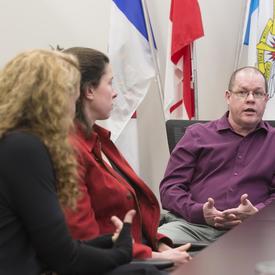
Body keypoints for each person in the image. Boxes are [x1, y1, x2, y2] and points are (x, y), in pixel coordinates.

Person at [0, 48, 156, 275]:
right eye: (72, 97)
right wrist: (123, 253)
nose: (73, 107)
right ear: (52, 99)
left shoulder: (15, 142)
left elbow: (54, 244)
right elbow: (64, 257)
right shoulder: (24, 148)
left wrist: (113, 243)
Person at [63, 47, 191, 265]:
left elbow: (130, 212)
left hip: (139, 252)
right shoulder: (70, 150)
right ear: (89, 91)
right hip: (115, 261)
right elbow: (85, 236)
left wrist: (158, 243)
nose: (115, 92)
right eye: (110, 82)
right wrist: (153, 256)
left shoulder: (100, 140)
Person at [159, 66, 275, 245]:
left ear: (266, 99)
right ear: (228, 96)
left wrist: (257, 213)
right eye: (242, 92)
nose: (250, 99)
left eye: (258, 93)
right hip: (195, 228)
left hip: (256, 231)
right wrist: (200, 212)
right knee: (151, 243)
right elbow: (170, 189)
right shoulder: (196, 135)